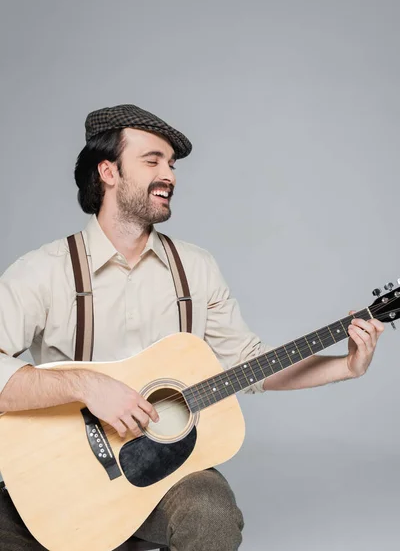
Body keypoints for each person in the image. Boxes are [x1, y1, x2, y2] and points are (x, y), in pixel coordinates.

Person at [0, 104, 384, 551]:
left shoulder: (195, 269)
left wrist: (346, 367)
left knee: (211, 511)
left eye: (172, 164)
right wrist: (87, 386)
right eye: (152, 160)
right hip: (62, 478)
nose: (170, 175)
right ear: (107, 171)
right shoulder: (45, 271)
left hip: (167, 481)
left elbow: (249, 364)